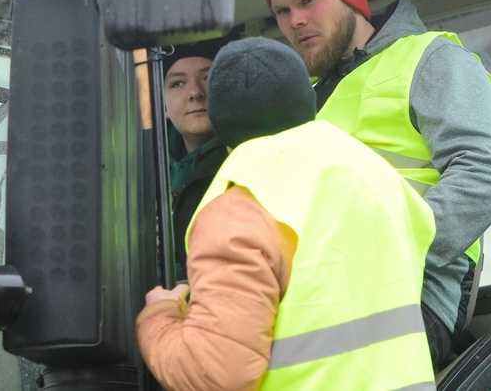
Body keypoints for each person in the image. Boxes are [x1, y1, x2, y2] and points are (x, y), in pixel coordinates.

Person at [264, 0, 491, 369]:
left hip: (406, 296)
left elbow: (488, 170)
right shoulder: (300, 100)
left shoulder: (429, 59)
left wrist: (387, 247)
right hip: (315, 295)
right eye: (282, 11)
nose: (295, 20)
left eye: (308, 1)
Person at [137, 37, 437, 390]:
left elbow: (215, 374)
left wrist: (159, 317)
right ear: (307, 98)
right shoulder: (379, 177)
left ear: (221, 121)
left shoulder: (240, 208)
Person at [163, 30, 240, 281]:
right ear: (161, 104)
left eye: (208, 78)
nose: (195, 92)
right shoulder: (138, 169)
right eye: (177, 83)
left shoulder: (249, 163)